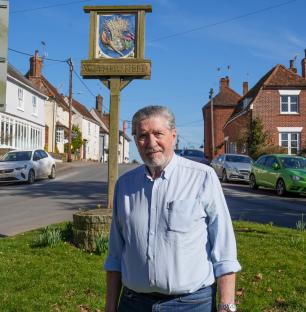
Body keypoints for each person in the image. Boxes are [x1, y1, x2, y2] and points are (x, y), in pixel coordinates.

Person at [104, 106, 241, 312]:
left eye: (158, 133)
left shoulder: (202, 178)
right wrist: (110, 307)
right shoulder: (125, 186)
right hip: (133, 303)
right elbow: (115, 254)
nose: (151, 143)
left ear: (173, 135)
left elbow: (224, 250)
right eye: (142, 136)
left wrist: (227, 305)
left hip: (191, 304)